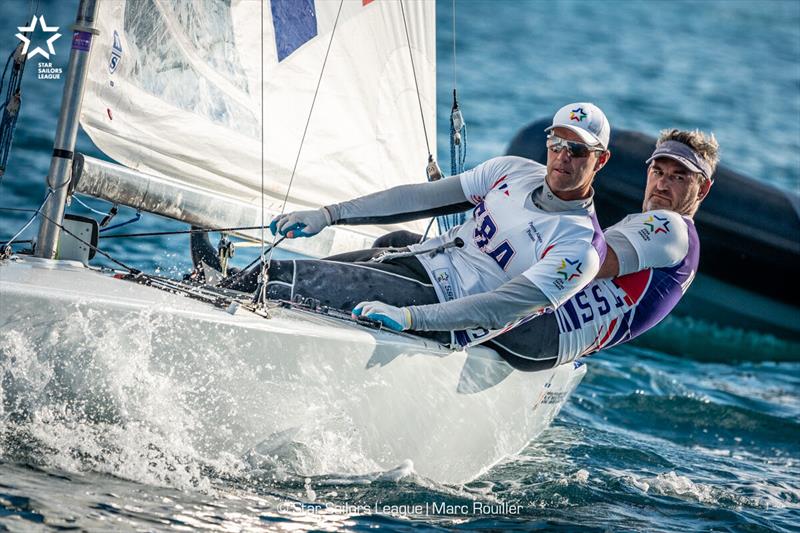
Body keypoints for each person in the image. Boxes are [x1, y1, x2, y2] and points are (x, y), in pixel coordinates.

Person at [213, 103, 611, 348]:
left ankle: (211, 308)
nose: (562, 156)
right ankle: (205, 285)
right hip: (421, 263)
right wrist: (327, 214)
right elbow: (420, 197)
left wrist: (411, 319)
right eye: (556, 143)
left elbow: (498, 308)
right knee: (267, 274)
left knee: (280, 284)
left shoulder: (579, 248)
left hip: (443, 310)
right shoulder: (513, 172)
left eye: (577, 150)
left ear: (600, 160)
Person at [472, 128, 718, 370]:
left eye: (678, 177)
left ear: (703, 189)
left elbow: (578, 266)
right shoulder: (683, 244)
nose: (662, 185)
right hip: (548, 349)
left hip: (537, 330)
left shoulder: (670, 227)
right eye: (658, 172)